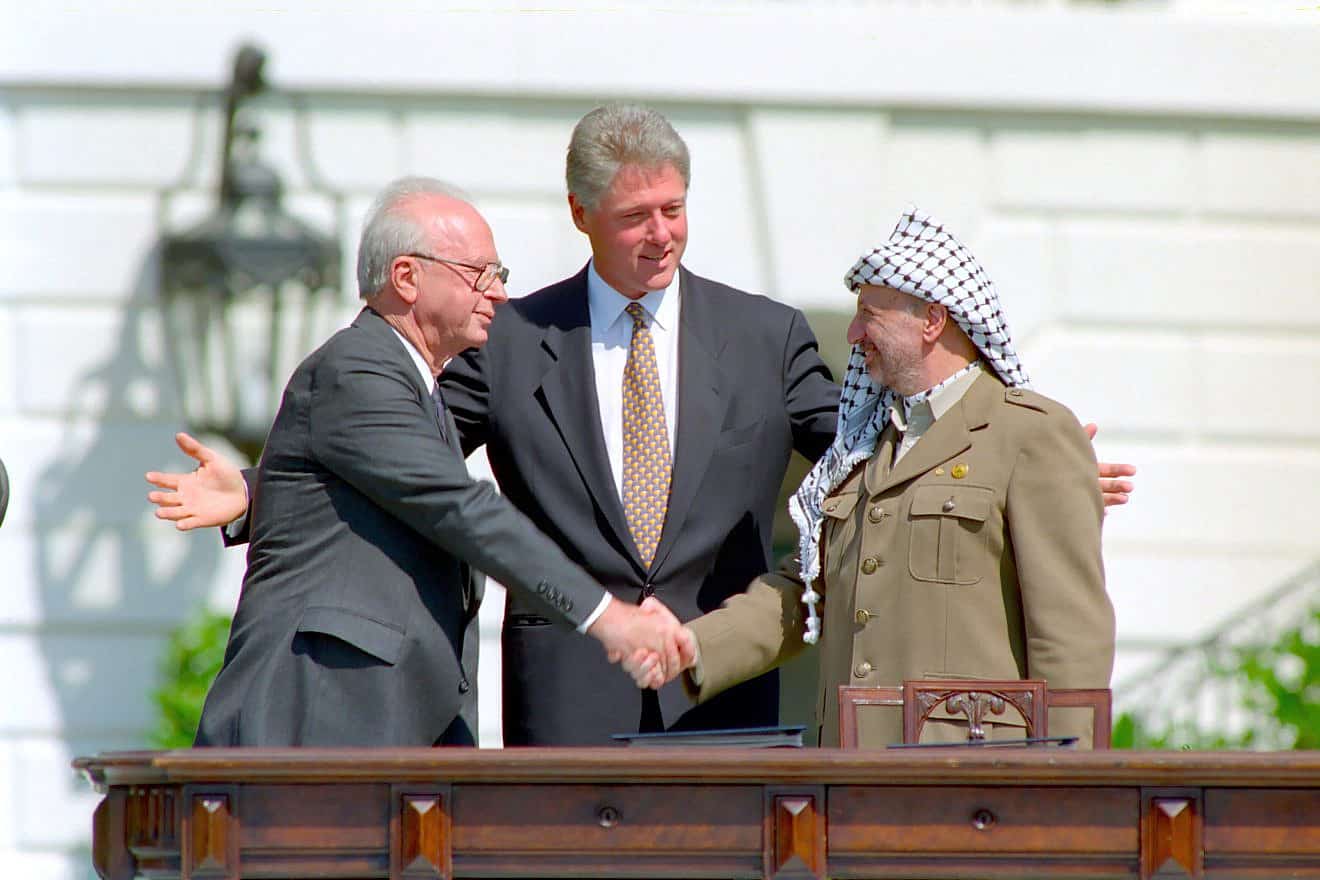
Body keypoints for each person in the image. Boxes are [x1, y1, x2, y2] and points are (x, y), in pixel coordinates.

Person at [149, 105, 1135, 746]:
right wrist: (266, 488)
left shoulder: (768, 334)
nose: (660, 233)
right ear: (583, 214)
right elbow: (409, 464)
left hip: (722, 691)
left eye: (674, 209)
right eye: (634, 216)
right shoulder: (514, 335)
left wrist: (1014, 463)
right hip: (568, 703)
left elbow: (866, 456)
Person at [165, 177, 691, 747]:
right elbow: (458, 506)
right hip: (316, 724)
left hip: (394, 731)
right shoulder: (355, 370)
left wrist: (253, 488)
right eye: (480, 275)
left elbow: (366, 482)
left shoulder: (421, 388)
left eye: (500, 276)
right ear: (407, 278)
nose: (499, 294)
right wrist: (608, 618)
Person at [634, 206, 1116, 749]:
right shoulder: (861, 444)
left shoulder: (1030, 434)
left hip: (971, 783)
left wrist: (1071, 788)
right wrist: (693, 646)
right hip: (847, 776)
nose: (854, 332)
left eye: (870, 313)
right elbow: (803, 593)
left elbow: (1070, 643)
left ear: (933, 321)